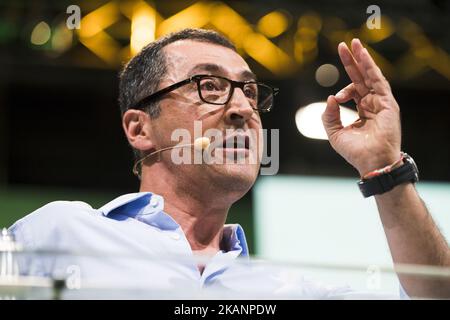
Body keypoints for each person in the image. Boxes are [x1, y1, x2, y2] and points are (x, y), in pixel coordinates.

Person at [8, 28, 449, 299]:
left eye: (250, 92)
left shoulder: (289, 291)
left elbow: (435, 295)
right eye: (209, 87)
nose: (242, 108)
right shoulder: (58, 232)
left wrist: (386, 168)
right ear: (139, 129)